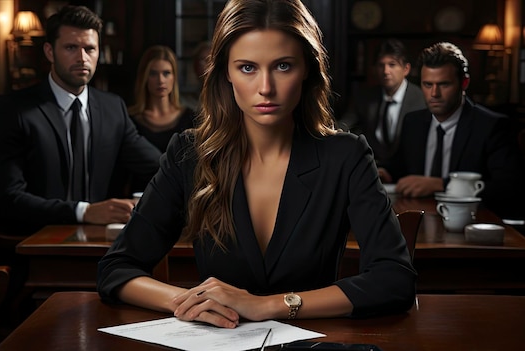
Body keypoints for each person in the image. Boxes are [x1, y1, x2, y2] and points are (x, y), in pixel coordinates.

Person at [97, 0, 416, 329]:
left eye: (282, 66)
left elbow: (395, 280)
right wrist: (188, 302)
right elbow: (117, 268)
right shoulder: (189, 154)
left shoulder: (346, 156)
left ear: (306, 68)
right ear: (226, 72)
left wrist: (269, 306)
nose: (266, 88)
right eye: (248, 67)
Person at [0, 5, 162, 236]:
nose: (82, 58)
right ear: (50, 52)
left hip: (103, 241)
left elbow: (158, 166)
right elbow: (8, 198)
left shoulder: (112, 108)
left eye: (90, 49)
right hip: (35, 239)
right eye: (71, 48)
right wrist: (83, 212)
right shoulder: (15, 110)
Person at [379, 42, 525, 218]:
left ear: (464, 83)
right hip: (419, 219)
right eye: (427, 84)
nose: (434, 94)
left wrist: (442, 184)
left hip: (472, 222)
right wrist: (385, 173)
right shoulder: (413, 122)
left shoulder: (491, 126)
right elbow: (400, 168)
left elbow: (508, 188)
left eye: (444, 84)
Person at [338, 38, 425, 165]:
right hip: (372, 168)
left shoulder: (421, 99)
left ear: (406, 69)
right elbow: (345, 124)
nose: (385, 71)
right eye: (381, 65)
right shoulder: (364, 97)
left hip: (408, 171)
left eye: (392, 65)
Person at [125, 45, 197, 191]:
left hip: (181, 196)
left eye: (166, 73)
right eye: (153, 73)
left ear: (174, 77)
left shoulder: (191, 118)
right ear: (144, 77)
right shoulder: (130, 120)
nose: (160, 80)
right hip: (140, 197)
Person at [181, 40, 212, 112]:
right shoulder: (186, 101)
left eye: (210, 60)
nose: (208, 65)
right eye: (203, 60)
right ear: (195, 66)